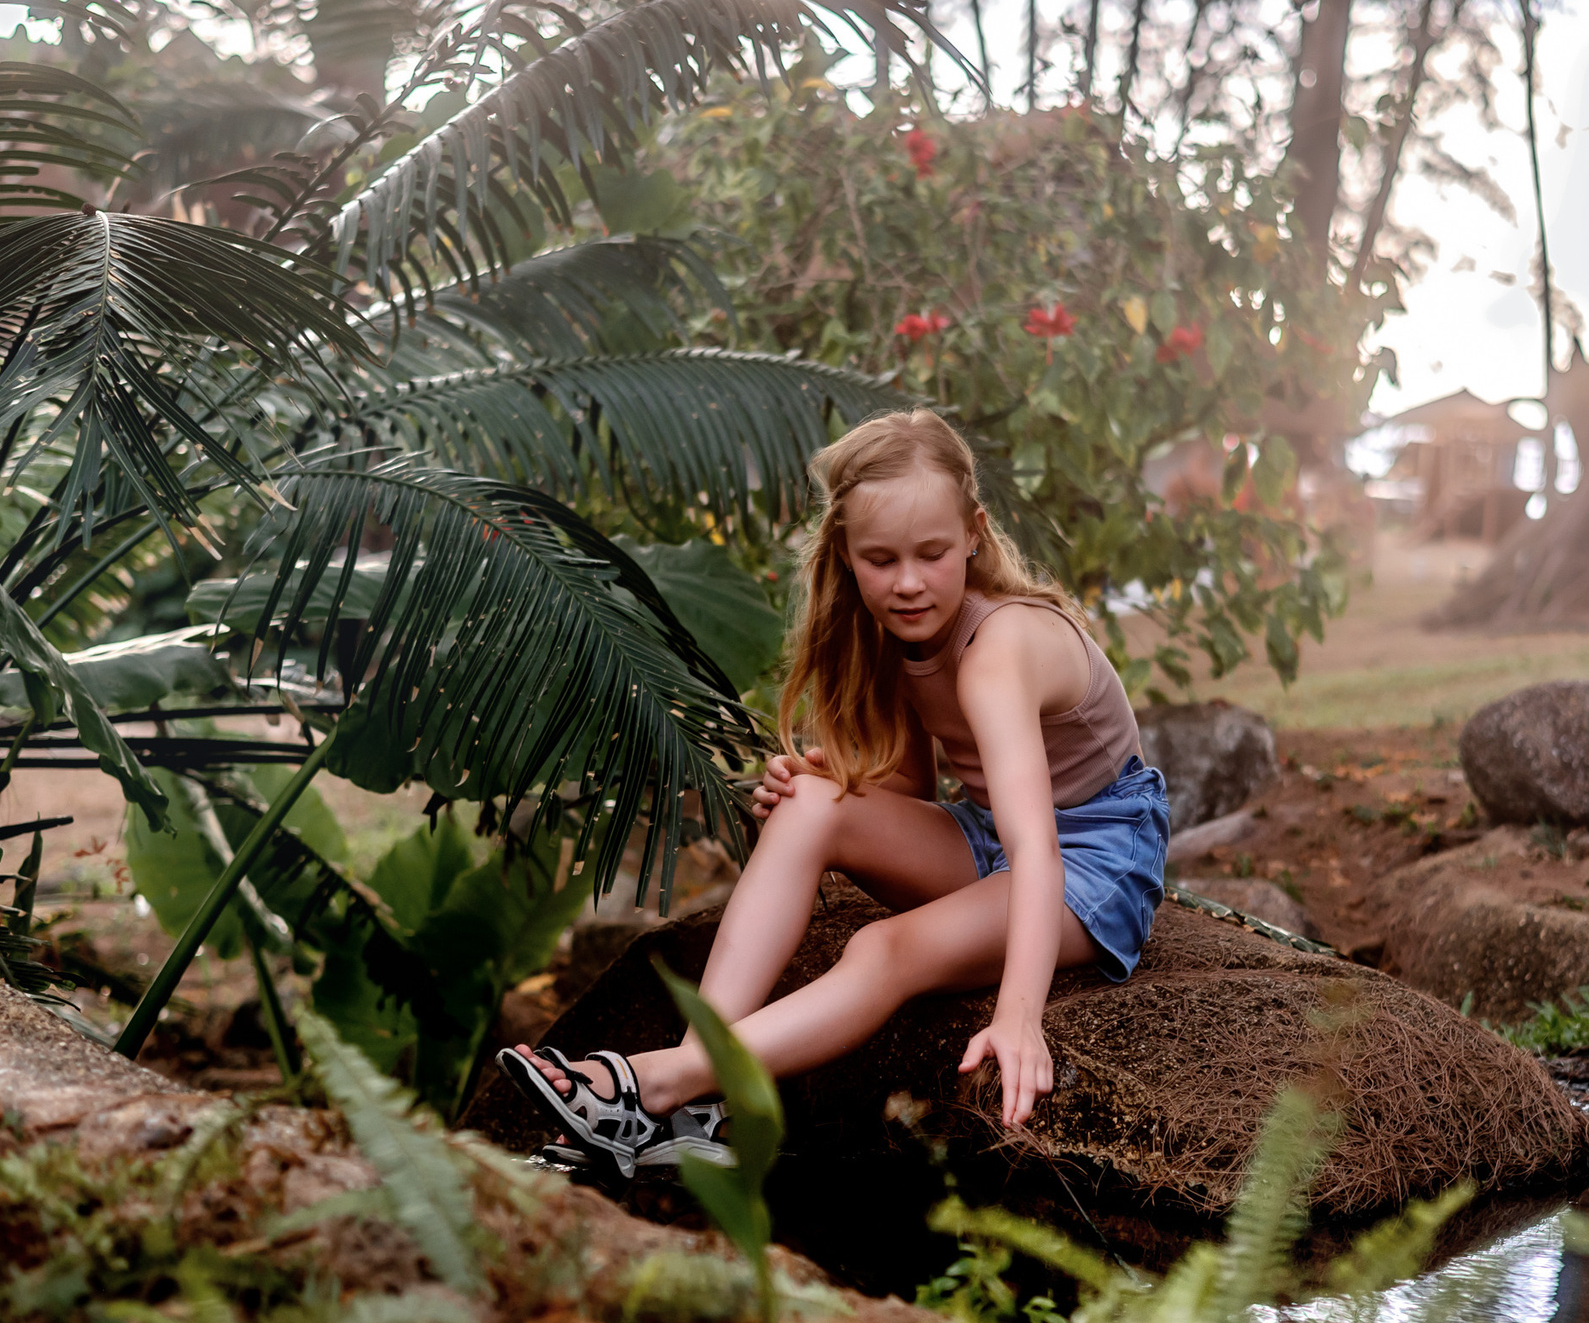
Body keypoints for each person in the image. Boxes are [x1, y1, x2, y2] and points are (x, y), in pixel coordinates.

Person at [498, 409, 1170, 1177]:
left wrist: (1019, 1017)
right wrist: (828, 792)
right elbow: (916, 790)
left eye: (932, 553)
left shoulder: (1000, 648)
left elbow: (1035, 844)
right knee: (810, 804)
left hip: (1092, 861)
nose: (908, 581)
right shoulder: (898, 632)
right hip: (989, 836)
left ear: (976, 533)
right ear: (845, 554)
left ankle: (657, 1081)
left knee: (881, 947)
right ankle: (696, 1094)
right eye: (881, 559)